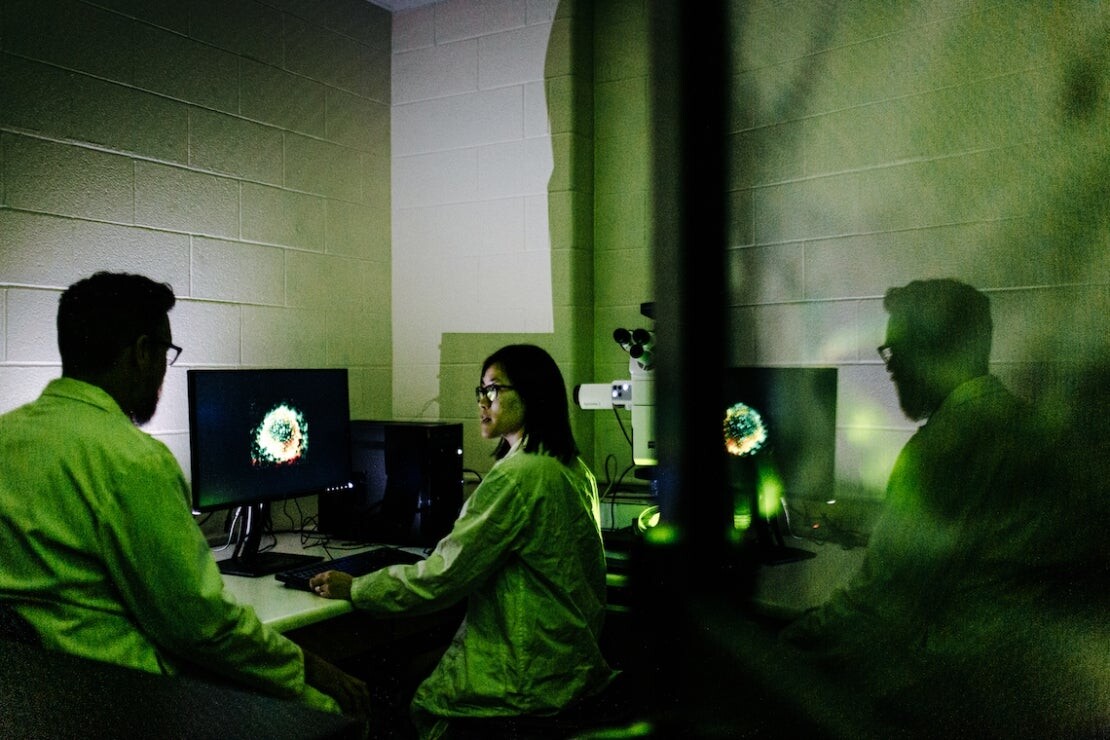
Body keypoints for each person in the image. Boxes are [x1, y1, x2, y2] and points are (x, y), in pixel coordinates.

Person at [0, 271, 370, 718]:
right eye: (166, 352)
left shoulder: (8, 437)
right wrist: (311, 668)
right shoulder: (131, 460)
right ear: (141, 353)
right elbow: (201, 628)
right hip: (127, 700)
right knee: (333, 710)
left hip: (34, 702)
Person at [779, 278, 1103, 735]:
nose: (890, 369)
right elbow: (977, 539)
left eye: (897, 352)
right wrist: (875, 525)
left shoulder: (942, 446)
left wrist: (776, 649)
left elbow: (876, 609)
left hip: (950, 696)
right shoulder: (1018, 423)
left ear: (934, 351)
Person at [310, 343, 618, 738]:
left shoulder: (518, 477)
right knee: (414, 666)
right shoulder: (571, 467)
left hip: (526, 683)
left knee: (386, 689)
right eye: (480, 391)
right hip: (568, 668)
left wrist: (357, 587)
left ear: (532, 394)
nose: (482, 402)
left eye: (493, 390)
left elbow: (441, 578)